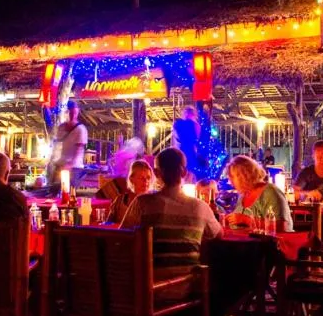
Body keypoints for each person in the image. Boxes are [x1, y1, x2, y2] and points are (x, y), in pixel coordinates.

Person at [120, 148, 222, 279]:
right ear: (184, 173)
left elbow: (121, 239)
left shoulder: (142, 203)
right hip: (187, 287)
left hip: (146, 287)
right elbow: (218, 234)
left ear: (156, 173)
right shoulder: (200, 207)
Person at [226, 155, 293, 232]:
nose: (231, 183)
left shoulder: (270, 192)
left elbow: (282, 226)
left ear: (244, 176)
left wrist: (247, 220)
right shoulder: (243, 194)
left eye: (233, 177)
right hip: (241, 241)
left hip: (267, 243)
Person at [49, 100, 88, 191]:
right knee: (54, 192)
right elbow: (58, 143)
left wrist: (69, 165)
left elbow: (79, 150)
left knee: (69, 193)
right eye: (70, 111)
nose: (72, 114)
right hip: (60, 164)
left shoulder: (81, 129)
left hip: (74, 167)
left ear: (77, 112)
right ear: (67, 112)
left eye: (74, 112)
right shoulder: (61, 127)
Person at [172, 106, 200, 176]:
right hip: (187, 150)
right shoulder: (194, 124)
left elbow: (177, 136)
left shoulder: (179, 124)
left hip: (184, 150)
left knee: (183, 169)